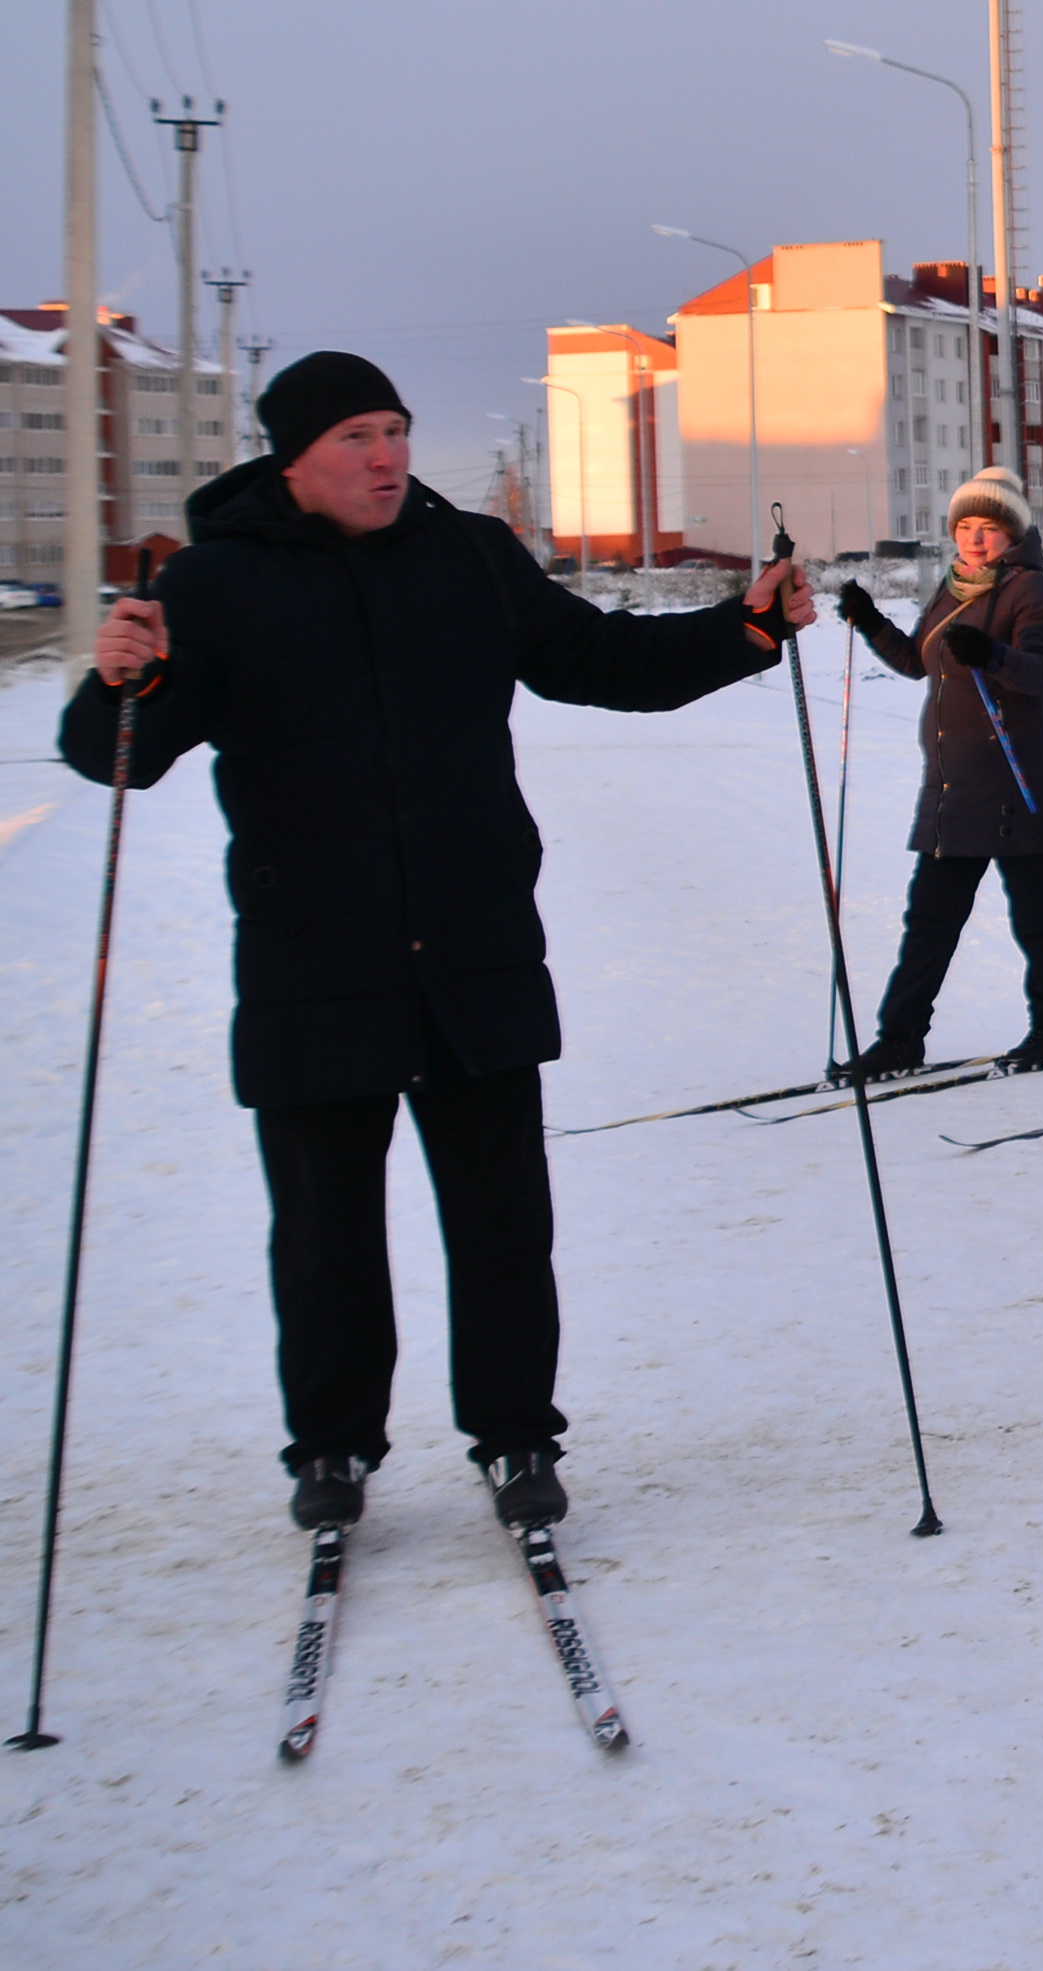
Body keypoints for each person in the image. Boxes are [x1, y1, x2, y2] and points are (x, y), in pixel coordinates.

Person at [58, 351, 808, 1531]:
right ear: (293, 456)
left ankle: (515, 1440)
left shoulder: (470, 557)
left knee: (503, 1220)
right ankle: (333, 1449)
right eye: (358, 435)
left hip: (473, 949)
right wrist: (118, 687)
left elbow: (603, 663)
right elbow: (127, 751)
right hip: (315, 960)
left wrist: (747, 632)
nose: (389, 454)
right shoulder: (212, 585)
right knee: (324, 1234)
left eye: (398, 429)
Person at [831, 467, 1043, 1078]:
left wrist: (992, 654)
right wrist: (868, 621)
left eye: (989, 528)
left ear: (1012, 533)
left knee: (1034, 910)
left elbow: (1040, 674)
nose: (974, 539)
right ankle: (900, 1039)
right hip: (953, 782)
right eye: (965, 527)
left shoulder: (1031, 592)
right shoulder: (952, 589)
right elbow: (919, 662)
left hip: (1016, 779)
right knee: (929, 915)